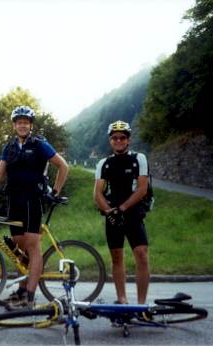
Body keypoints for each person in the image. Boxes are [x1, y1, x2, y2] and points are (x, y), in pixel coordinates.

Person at [0, 105, 68, 310]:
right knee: (18, 249)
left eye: (26, 122)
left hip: (33, 200)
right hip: (14, 200)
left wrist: (55, 192)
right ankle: (22, 291)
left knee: (32, 246)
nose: (22, 125)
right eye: (19, 122)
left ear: (30, 125)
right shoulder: (9, 147)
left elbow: (63, 166)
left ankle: (30, 297)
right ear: (15, 125)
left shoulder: (40, 144)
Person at [93, 120, 150, 309]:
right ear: (110, 141)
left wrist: (122, 208)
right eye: (115, 138)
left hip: (132, 212)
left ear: (128, 140)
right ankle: (122, 300)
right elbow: (97, 193)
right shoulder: (104, 163)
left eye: (122, 137)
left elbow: (142, 189)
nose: (118, 140)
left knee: (141, 254)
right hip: (113, 215)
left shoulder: (138, 159)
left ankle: (141, 305)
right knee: (117, 257)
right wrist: (110, 211)